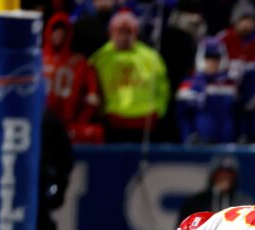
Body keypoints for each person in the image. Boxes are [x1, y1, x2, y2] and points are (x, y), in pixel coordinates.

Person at [89, 11, 170, 142]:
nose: (124, 37)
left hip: (144, 120)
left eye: (128, 32)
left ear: (135, 33)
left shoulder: (150, 57)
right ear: (111, 33)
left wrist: (158, 111)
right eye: (120, 32)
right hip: (112, 120)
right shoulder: (100, 58)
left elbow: (163, 88)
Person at [42, 12, 103, 143]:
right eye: (55, 30)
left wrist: (82, 117)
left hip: (69, 122)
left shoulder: (79, 62)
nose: (59, 34)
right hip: (42, 119)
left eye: (62, 31)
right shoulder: (37, 58)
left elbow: (93, 97)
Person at [175, 39, 239, 144]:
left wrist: (240, 134)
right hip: (200, 143)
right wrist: (188, 136)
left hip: (227, 141)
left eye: (216, 59)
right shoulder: (189, 83)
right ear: (200, 59)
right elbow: (182, 116)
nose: (212, 63)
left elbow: (237, 114)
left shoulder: (230, 84)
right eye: (207, 58)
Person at [217, 0, 255, 81]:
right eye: (244, 19)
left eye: (252, 20)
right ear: (235, 21)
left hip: (251, 81)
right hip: (225, 80)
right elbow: (215, 64)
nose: (248, 23)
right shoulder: (223, 38)